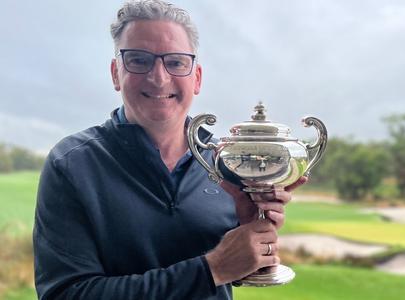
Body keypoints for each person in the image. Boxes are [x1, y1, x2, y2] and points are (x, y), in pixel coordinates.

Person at [33, 1, 306, 299]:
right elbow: (64, 294)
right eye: (138, 60)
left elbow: (230, 268)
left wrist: (248, 229)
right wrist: (211, 269)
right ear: (115, 73)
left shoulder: (226, 161)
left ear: (197, 78)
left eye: (175, 62)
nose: (159, 77)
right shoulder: (71, 164)